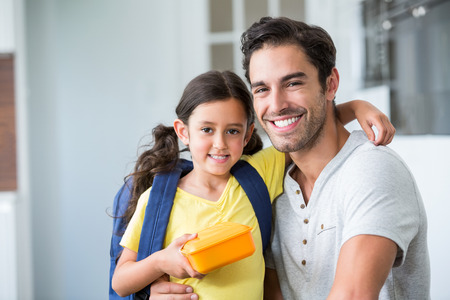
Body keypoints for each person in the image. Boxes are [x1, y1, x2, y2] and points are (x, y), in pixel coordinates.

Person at [112, 69, 394, 299]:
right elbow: (120, 282)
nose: (220, 144)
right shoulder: (158, 201)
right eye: (207, 129)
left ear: (247, 136)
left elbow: (306, 129)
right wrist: (161, 262)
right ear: (183, 132)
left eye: (232, 131)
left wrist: (356, 107)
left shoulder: (258, 174)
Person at [241, 17, 430, 299]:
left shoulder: (372, 168)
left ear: (330, 85)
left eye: (293, 83)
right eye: (262, 89)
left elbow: (353, 294)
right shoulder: (272, 180)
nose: (277, 105)